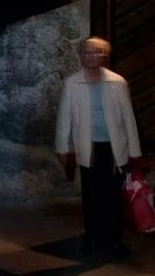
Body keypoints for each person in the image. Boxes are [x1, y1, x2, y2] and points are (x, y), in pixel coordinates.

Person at [55, 36, 141, 255]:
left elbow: (128, 119)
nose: (92, 56)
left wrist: (134, 151)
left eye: (97, 52)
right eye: (87, 52)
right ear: (81, 55)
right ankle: (92, 238)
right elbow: (64, 118)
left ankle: (114, 239)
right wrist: (62, 147)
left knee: (112, 196)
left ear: (105, 55)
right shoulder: (72, 83)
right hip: (88, 147)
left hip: (113, 148)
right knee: (91, 194)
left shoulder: (117, 82)